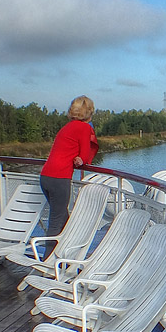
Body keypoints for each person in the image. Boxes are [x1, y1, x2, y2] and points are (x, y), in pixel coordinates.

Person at [38, 95, 99, 259]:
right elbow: (84, 157)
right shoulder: (84, 128)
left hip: (45, 177)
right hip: (59, 178)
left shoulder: (67, 127)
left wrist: (76, 157)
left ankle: (68, 254)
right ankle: (47, 261)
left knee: (63, 217)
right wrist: (81, 159)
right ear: (89, 112)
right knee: (57, 221)